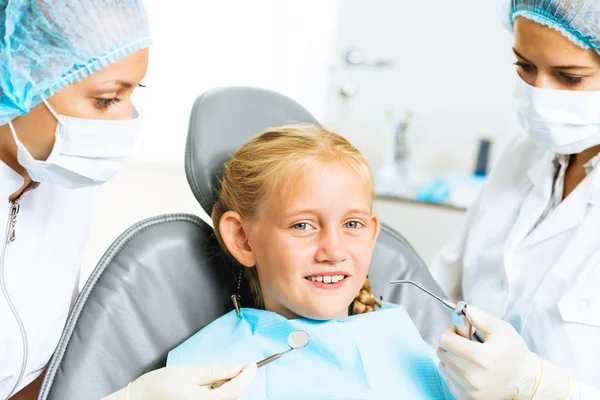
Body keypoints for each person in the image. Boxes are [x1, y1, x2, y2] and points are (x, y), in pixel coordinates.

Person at [0, 2, 254, 399]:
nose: (125, 122)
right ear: (13, 80)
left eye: (133, 92)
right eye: (105, 100)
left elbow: (33, 367)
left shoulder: (63, 184)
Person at [167, 125, 455, 399]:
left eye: (352, 224)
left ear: (372, 235)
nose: (334, 251)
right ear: (243, 238)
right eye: (302, 226)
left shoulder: (402, 339)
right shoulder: (206, 369)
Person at [429, 1, 600, 398]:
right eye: (525, 67)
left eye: (569, 77)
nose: (540, 94)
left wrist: (537, 386)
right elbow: (441, 288)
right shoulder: (523, 154)